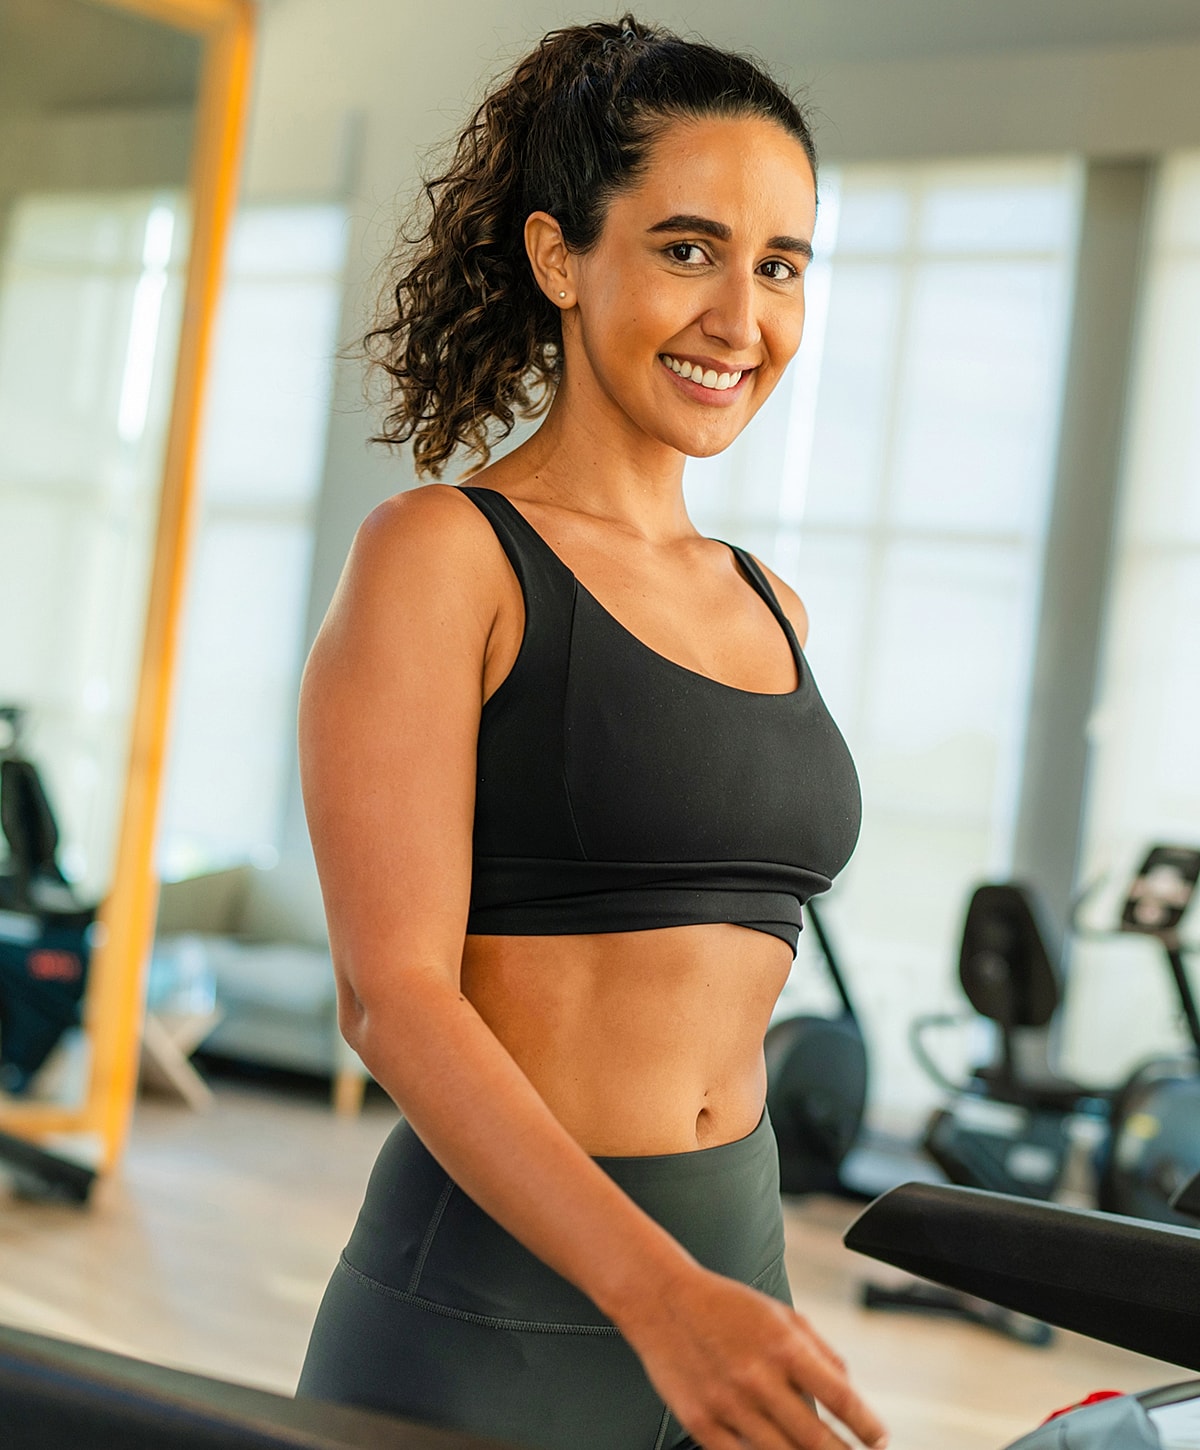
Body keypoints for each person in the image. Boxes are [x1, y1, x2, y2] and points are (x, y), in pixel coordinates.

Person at [294, 16, 888, 1450]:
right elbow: (392, 998)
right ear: (563, 257)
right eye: (687, 248)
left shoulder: (772, 602)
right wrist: (655, 1292)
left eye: (780, 264)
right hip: (501, 1315)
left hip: (737, 1286)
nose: (740, 319)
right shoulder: (445, 555)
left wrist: (706, 1294)